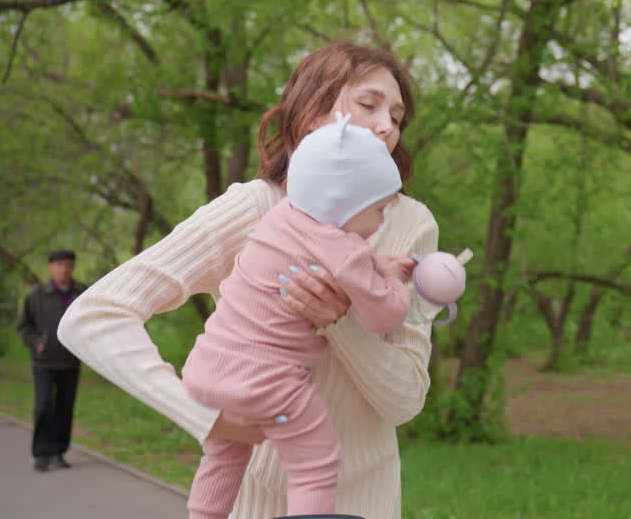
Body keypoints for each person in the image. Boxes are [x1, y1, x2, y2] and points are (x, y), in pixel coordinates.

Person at [59, 42, 447, 519]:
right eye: (369, 104)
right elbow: (93, 316)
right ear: (311, 115)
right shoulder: (255, 208)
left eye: (397, 116)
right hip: (254, 503)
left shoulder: (412, 225)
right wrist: (206, 417)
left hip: (368, 503)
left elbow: (405, 401)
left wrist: (339, 321)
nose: (387, 125)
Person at [182, 114, 412, 519]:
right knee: (315, 465)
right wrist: (394, 281)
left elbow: (335, 255)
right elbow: (386, 316)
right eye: (378, 209)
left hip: (211, 369)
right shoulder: (346, 252)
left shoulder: (281, 218)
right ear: (345, 203)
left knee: (225, 455)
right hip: (270, 385)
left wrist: (377, 266)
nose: (381, 221)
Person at [17, 248, 88, 472]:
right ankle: (41, 453)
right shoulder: (36, 295)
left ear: (73, 267)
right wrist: (36, 342)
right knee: (44, 405)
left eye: (67, 264)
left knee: (65, 408)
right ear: (50, 267)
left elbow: (91, 322)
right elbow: (23, 327)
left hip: (71, 361)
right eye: (59, 265)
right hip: (44, 362)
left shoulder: (83, 293)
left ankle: (58, 452)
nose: (63, 269)